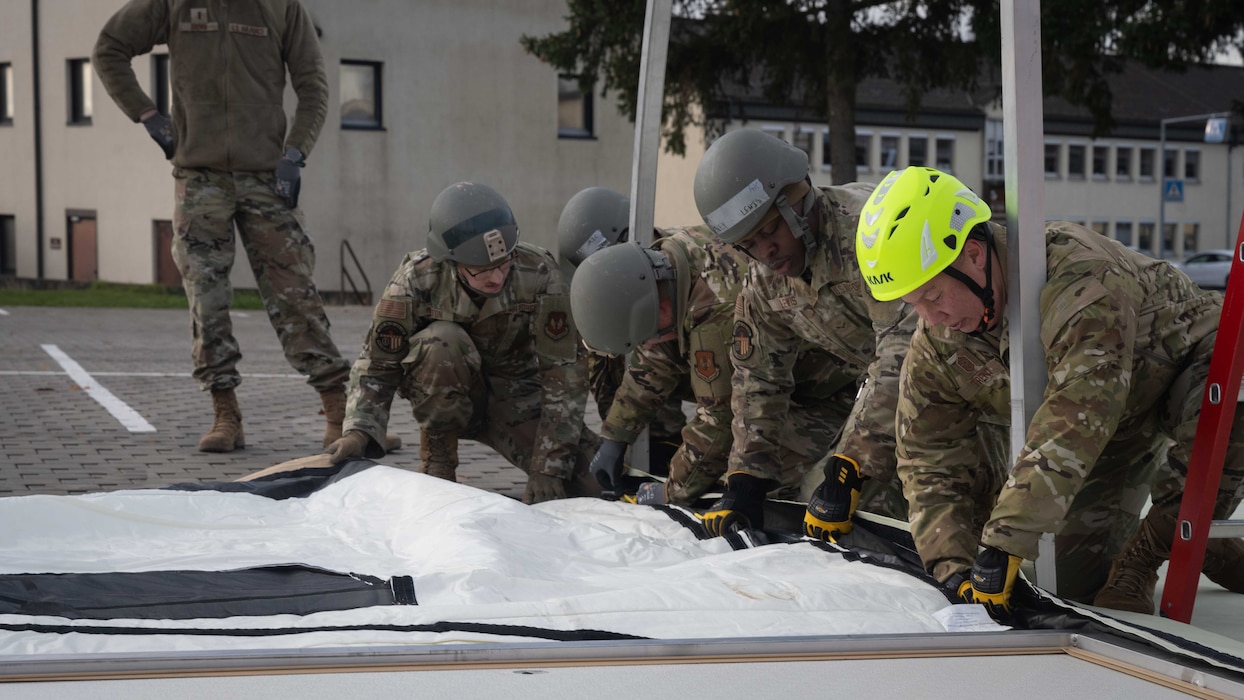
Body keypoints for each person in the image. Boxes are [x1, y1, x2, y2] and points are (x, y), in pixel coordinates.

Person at [857, 165, 1244, 614]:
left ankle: (1154, 548)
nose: (931, 318)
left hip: (1189, 373)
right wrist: (954, 569)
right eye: (915, 304)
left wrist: (1005, 541)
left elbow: (1078, 410)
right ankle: (1204, 543)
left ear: (974, 256)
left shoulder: (1079, 277)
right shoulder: (939, 341)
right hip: (1112, 429)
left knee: (1232, 397)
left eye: (935, 296)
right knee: (1070, 583)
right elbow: (927, 457)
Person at [93, 0, 379, 453]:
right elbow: (109, 47)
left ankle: (337, 410)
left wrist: (295, 153)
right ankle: (225, 414)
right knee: (206, 301)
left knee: (295, 297)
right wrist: (148, 116)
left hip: (267, 176)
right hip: (199, 177)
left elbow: (313, 86)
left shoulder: (281, 6)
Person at [690, 128, 913, 536]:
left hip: (955, 379)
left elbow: (903, 352)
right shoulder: (764, 279)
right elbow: (758, 377)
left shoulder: (868, 234)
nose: (765, 252)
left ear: (799, 203)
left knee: (877, 502)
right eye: (749, 245)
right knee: (793, 494)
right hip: (876, 391)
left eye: (771, 231)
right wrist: (746, 477)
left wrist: (852, 464)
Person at [324, 182, 600, 504]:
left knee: (592, 483)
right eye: (481, 270)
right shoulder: (416, 279)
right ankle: (438, 458)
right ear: (451, 262)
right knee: (443, 342)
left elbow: (564, 373)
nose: (496, 278)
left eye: (503, 263)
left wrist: (549, 466)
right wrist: (358, 430)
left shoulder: (539, 273)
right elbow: (377, 365)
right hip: (444, 394)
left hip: (517, 397)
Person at [557, 187, 687, 474]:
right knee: (605, 340)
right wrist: (615, 440)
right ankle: (657, 443)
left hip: (739, 383)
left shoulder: (686, 263)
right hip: (685, 376)